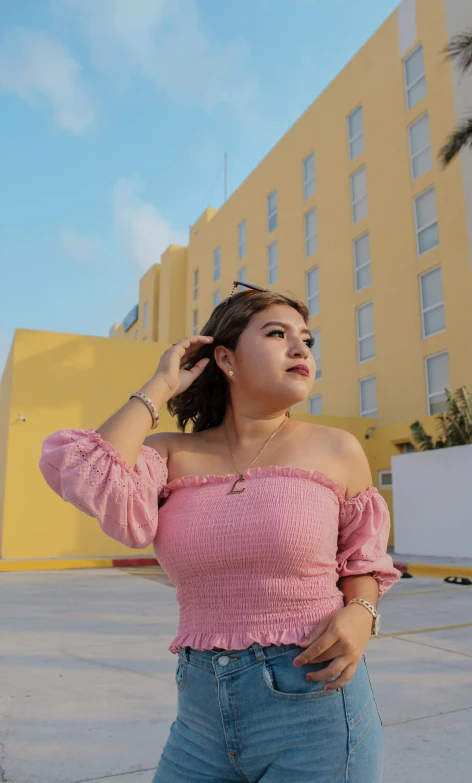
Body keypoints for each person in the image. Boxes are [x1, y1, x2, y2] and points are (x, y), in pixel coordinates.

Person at [39, 282, 402, 783]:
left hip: (314, 702)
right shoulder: (170, 453)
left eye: (307, 340)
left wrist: (361, 614)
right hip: (200, 714)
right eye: (277, 334)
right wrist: (160, 386)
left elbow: (363, 558)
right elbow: (78, 469)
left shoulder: (336, 449)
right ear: (226, 360)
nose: (300, 349)